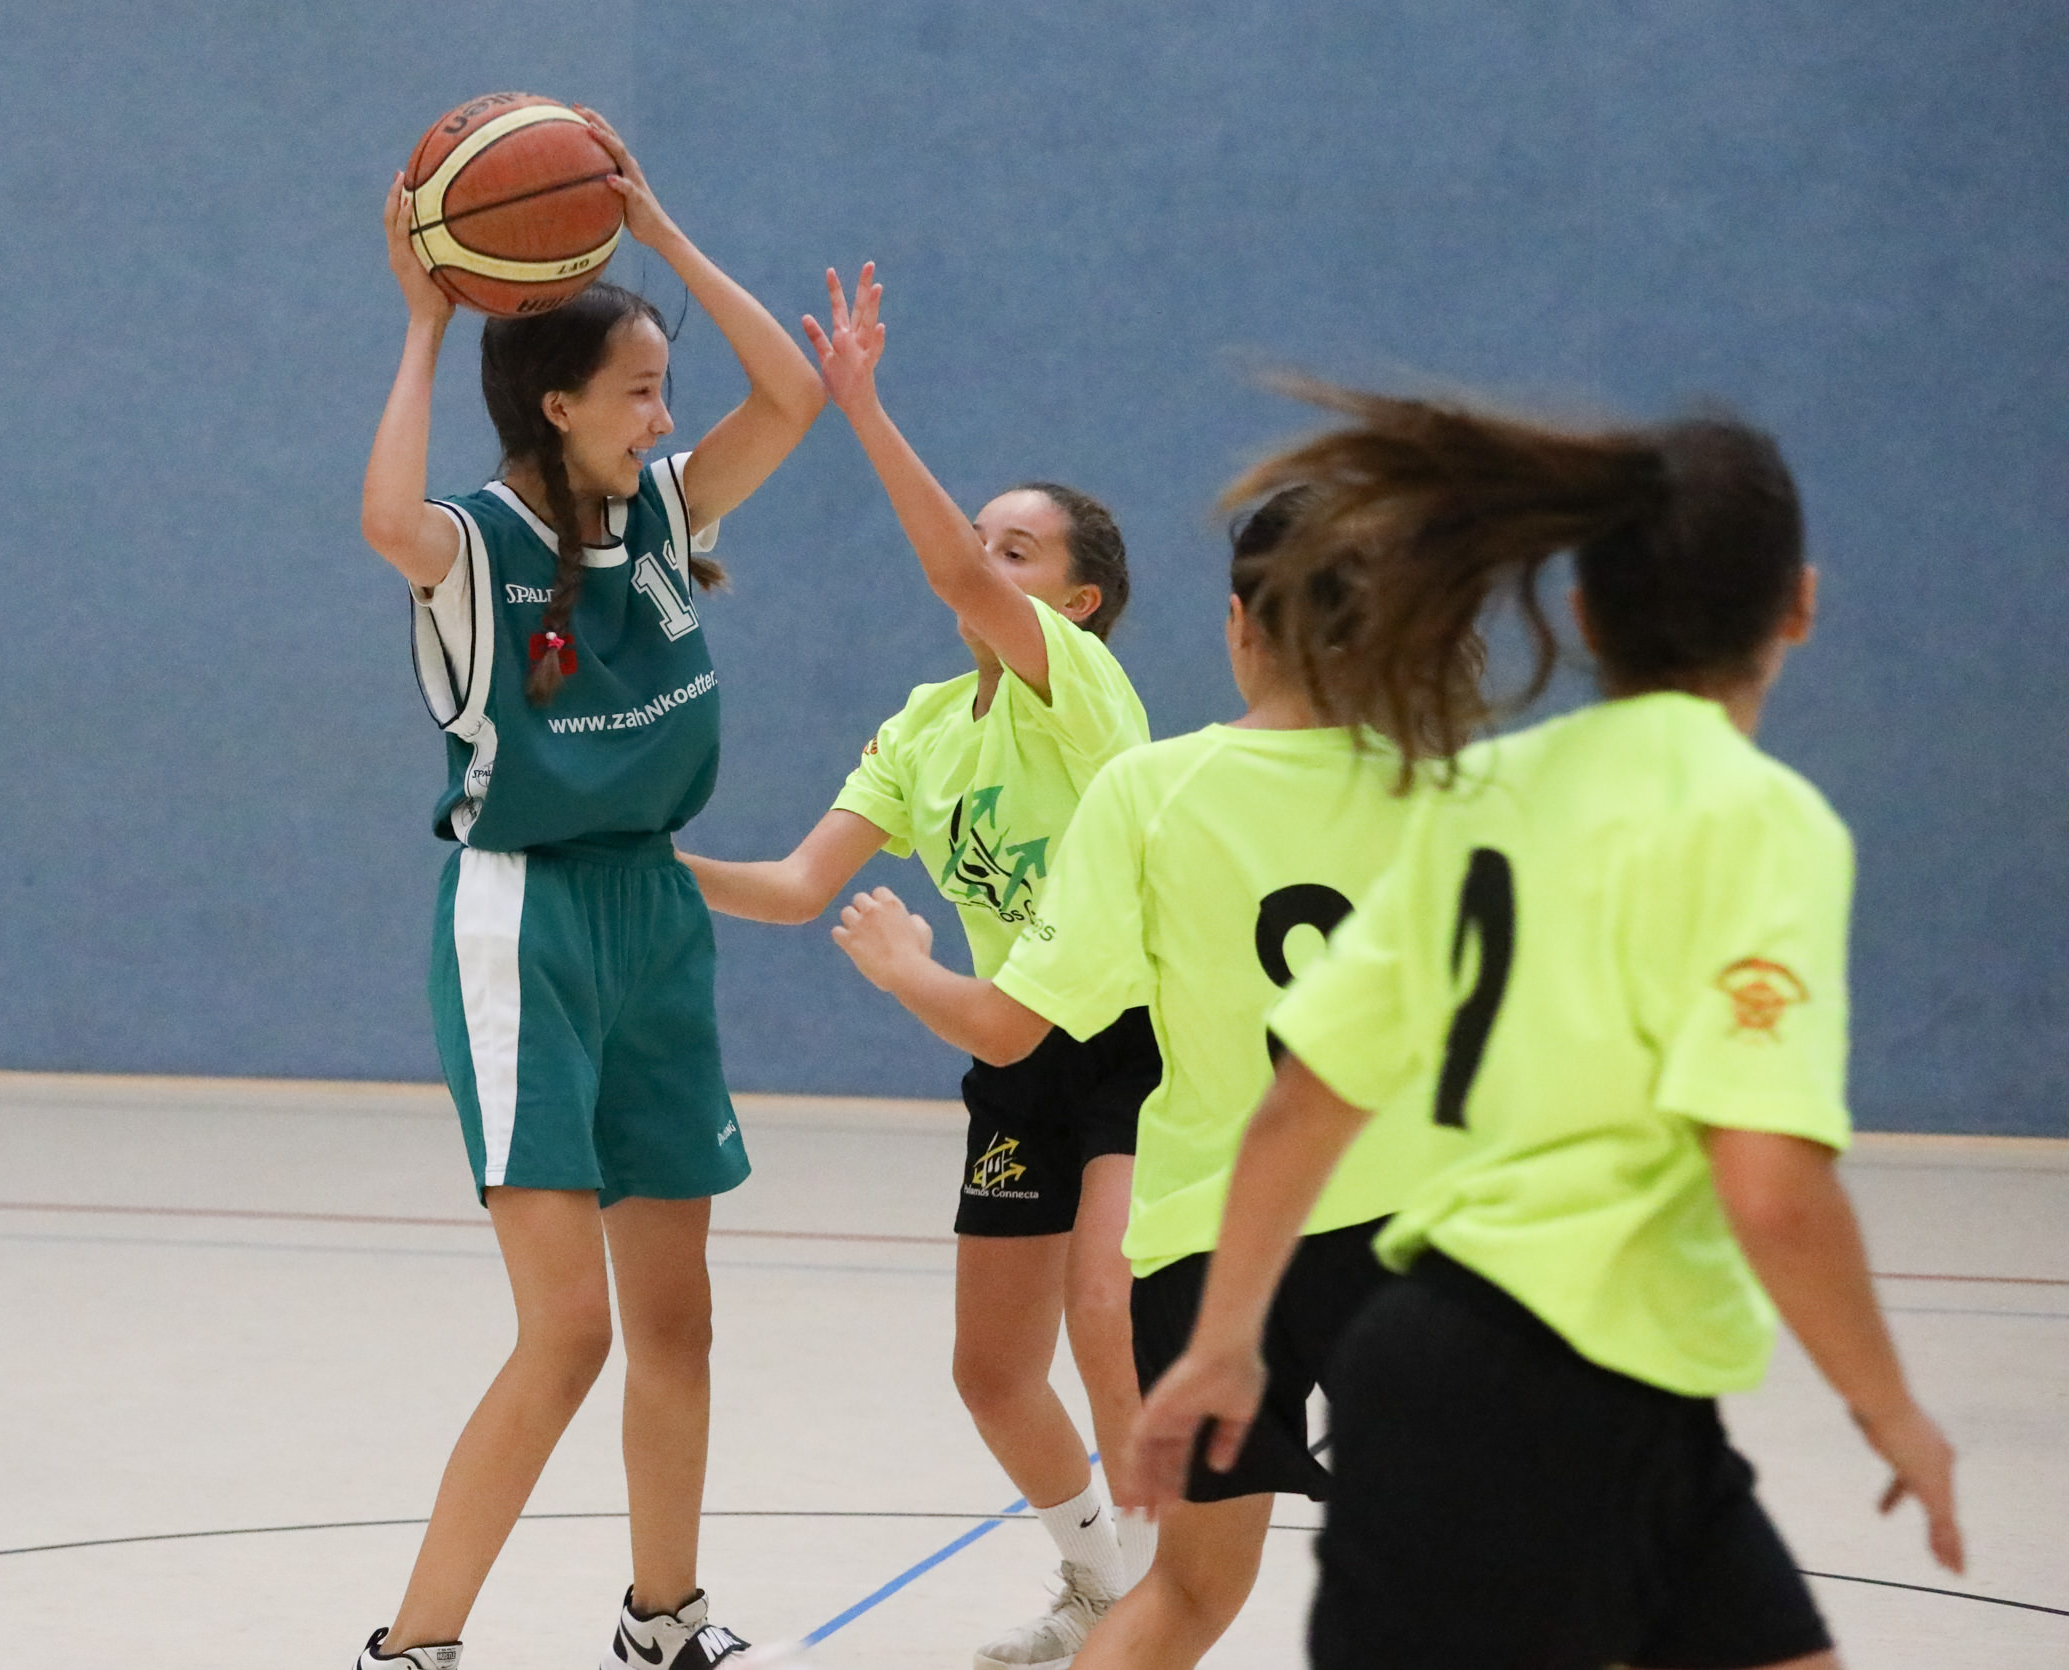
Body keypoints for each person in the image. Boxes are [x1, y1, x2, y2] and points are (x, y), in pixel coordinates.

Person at [1130, 381, 1965, 1669]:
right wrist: (1889, 1406)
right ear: (1796, 605)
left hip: (1497, 1370)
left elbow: (1302, 1099)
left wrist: (1225, 1340)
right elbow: (1769, 1185)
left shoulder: (1491, 788)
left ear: (1584, 615)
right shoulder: (1759, 819)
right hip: (1558, 1381)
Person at [832, 484, 1463, 1670]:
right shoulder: (1453, 791)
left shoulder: (1148, 788)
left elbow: (1007, 1024)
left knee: (1183, 1592)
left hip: (1210, 1248)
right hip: (1402, 1228)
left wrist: (903, 965)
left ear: (1238, 622)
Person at [355, 111, 825, 1670]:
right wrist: (425, 320)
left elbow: (794, 394)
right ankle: (412, 1645)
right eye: (637, 390)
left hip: (654, 914)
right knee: (566, 1329)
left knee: (678, 1319)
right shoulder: (474, 543)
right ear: (556, 406)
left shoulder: (667, 514)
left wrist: (663, 232)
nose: (664, 414)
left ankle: (663, 1617)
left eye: (663, 388)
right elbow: (382, 520)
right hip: (525, 922)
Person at [680, 266, 1156, 1667]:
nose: (982, 562)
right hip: (1013, 1047)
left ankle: (1163, 1608)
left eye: (1016, 550)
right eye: (982, 541)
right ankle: (1099, 1582)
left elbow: (947, 570)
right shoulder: (926, 727)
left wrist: (863, 408)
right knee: (992, 1370)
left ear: (1077, 599)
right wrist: (634, 858)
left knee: (1105, 1313)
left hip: (1138, 1042)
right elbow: (794, 886)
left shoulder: (1084, 694)